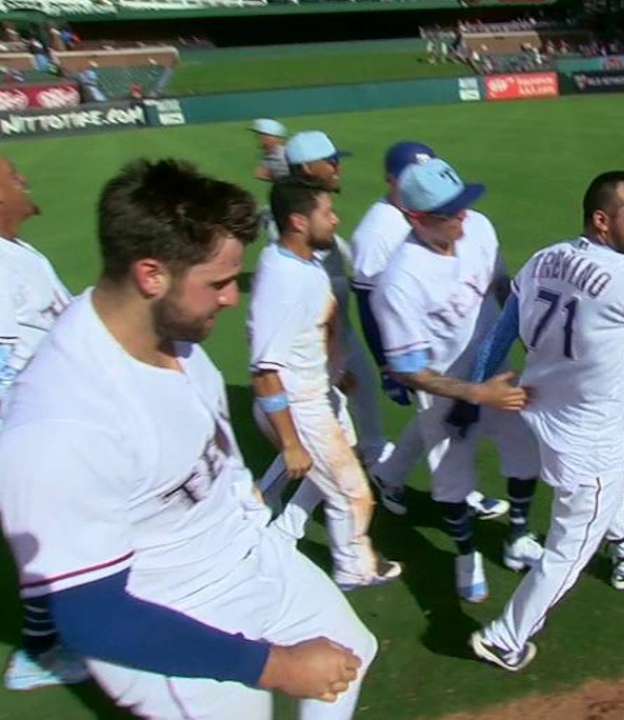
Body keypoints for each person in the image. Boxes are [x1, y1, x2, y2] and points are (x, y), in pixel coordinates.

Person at [0, 158, 375, 717]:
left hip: (250, 557)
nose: (231, 298)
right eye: (218, 282)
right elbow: (92, 617)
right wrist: (276, 666)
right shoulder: (61, 425)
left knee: (351, 657)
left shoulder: (174, 337)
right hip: (173, 614)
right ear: (152, 275)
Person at [470, 171, 624, 671]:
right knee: (569, 548)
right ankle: (505, 637)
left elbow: (507, 324)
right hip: (587, 444)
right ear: (602, 220)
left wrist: (480, 384)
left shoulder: (547, 256)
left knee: (612, 496)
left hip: (544, 414)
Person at [371, 158, 543, 603]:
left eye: (464, 205)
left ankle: (518, 537)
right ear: (418, 219)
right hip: (444, 390)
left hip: (501, 372)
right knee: (452, 481)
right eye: (451, 213)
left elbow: (504, 288)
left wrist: (531, 346)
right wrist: (473, 393)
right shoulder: (400, 282)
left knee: (525, 455)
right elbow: (408, 370)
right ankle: (466, 555)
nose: (464, 217)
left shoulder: (479, 228)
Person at [250, 177, 401, 591]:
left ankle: (277, 529)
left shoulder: (302, 264)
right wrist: (291, 440)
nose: (335, 220)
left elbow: (310, 335)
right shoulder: (285, 278)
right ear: (299, 222)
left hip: (319, 392)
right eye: (326, 213)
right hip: (298, 406)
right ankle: (353, 570)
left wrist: (336, 373)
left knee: (334, 476)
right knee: (352, 494)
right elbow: (265, 368)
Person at [350, 141, 507, 520]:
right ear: (392, 180)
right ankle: (460, 497)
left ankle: (389, 475)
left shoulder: (453, 219)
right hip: (428, 350)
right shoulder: (377, 229)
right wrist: (389, 368)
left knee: (436, 419)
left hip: (466, 338)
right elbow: (368, 304)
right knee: (445, 423)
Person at [0, 156, 88, 692]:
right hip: (32, 433)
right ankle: (40, 653)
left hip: (51, 423)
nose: (24, 179)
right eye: (11, 177)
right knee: (53, 538)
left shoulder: (17, 253)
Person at [282, 131, 390, 469]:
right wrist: (330, 361)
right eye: (330, 162)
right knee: (328, 427)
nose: (337, 167)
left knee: (365, 393)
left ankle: (375, 457)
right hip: (318, 342)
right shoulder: (293, 222)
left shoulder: (316, 211)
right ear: (307, 168)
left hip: (340, 332)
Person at [251, 118, 289, 184]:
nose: (258, 139)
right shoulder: (268, 155)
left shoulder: (286, 156)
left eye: (260, 136)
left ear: (270, 138)